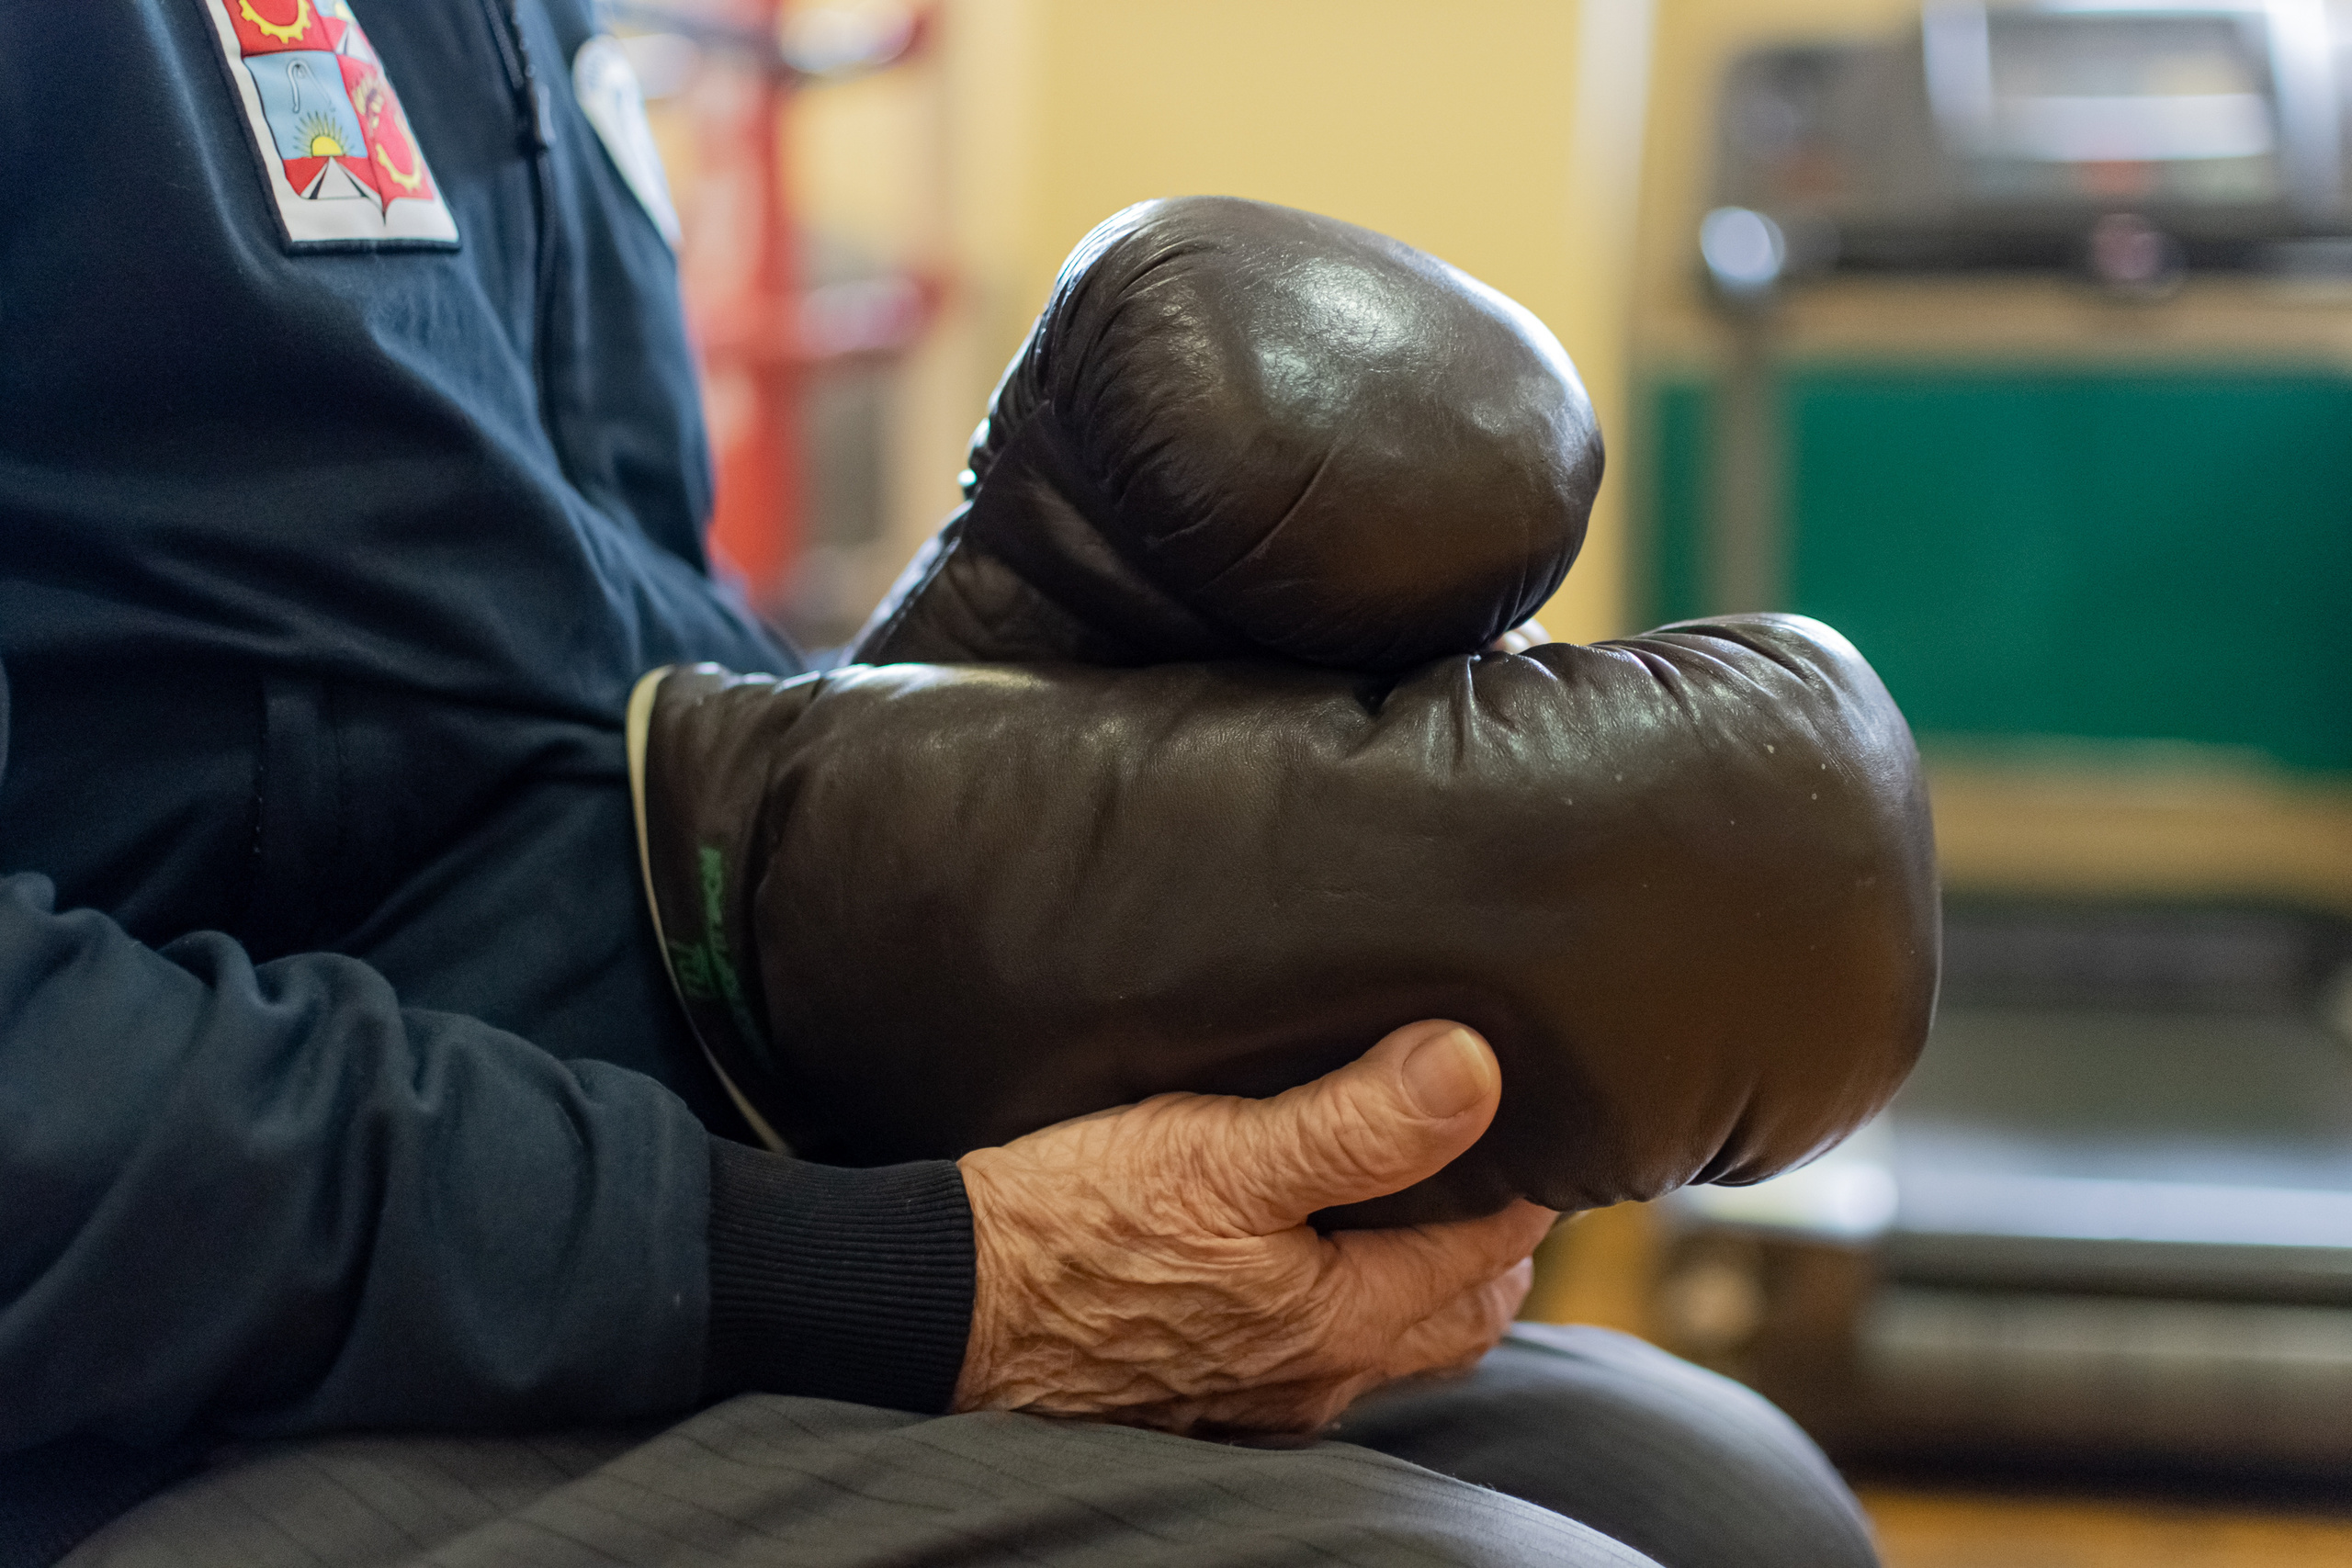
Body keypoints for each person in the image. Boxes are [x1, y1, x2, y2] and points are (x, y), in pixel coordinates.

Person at [0, 4, 1883, 1564]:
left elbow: (542, 710)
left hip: (604, 1213)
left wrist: (966, 768)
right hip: (153, 1401)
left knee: (1721, 1499)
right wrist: (912, 1274)